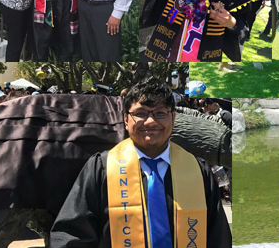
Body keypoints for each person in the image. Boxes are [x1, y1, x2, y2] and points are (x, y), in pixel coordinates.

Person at [50, 78, 231, 248]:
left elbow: (218, 236)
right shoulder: (101, 168)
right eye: (140, 113)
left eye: (160, 113)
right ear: (126, 120)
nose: (150, 121)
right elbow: (71, 235)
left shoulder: (197, 170)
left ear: (173, 118)